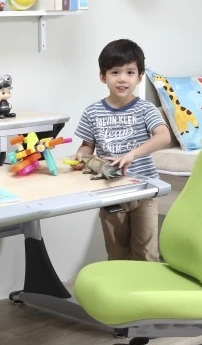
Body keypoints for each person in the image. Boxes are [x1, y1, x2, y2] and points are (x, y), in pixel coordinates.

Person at [73, 39, 172, 261]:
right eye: (115, 72)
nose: (122, 79)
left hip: (144, 191)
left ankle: (146, 286)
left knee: (146, 254)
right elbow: (87, 146)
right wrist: (81, 155)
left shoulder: (145, 109)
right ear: (103, 76)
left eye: (130, 72)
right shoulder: (92, 112)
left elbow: (163, 136)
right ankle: (120, 285)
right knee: (116, 253)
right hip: (111, 193)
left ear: (139, 77)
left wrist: (132, 154)